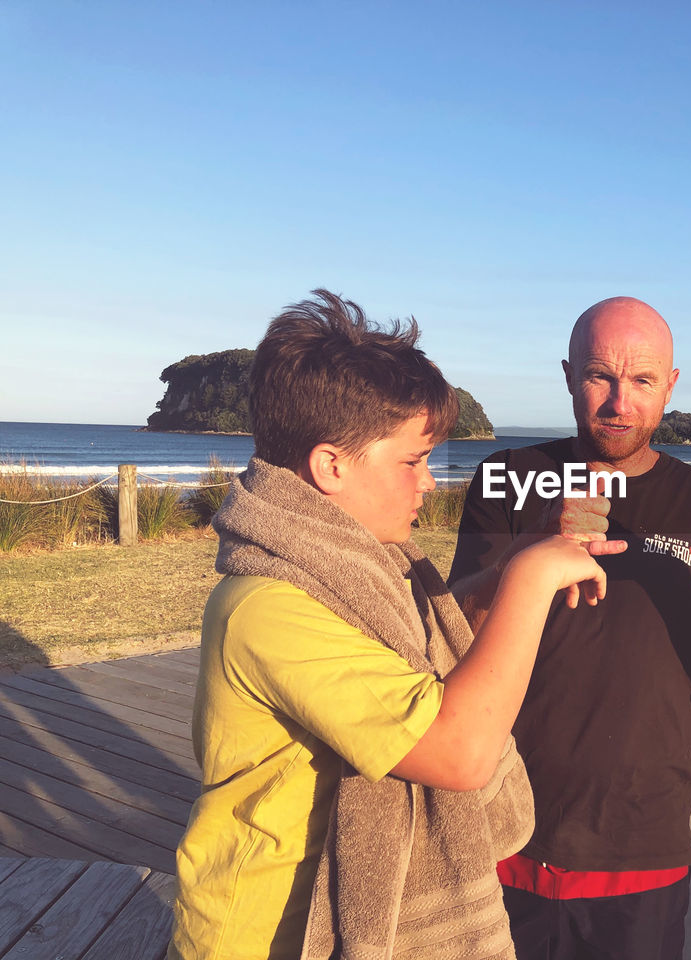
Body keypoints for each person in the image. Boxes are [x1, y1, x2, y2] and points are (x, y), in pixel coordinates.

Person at [168, 289, 612, 960]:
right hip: (269, 935)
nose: (429, 483)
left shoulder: (360, 567)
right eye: (412, 461)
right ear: (332, 466)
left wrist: (511, 564)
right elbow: (457, 752)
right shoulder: (270, 607)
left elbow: (419, 645)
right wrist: (530, 581)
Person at [448, 296, 691, 960]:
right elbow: (451, 631)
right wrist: (532, 547)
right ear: (568, 375)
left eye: (643, 381)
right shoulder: (509, 479)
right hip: (501, 821)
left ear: (670, 386)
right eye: (600, 375)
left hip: (640, 839)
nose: (619, 402)